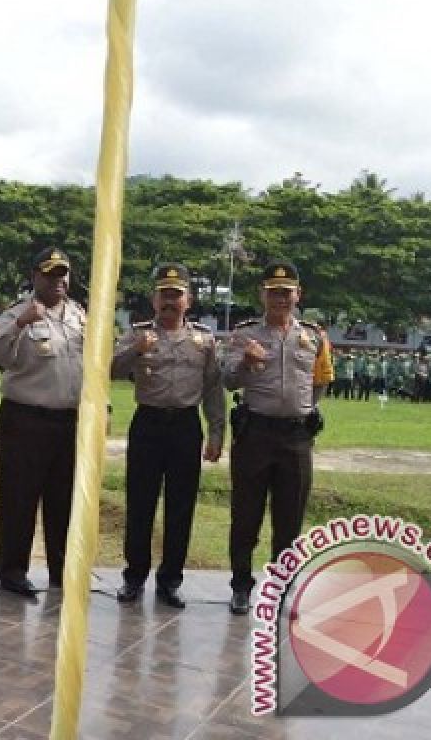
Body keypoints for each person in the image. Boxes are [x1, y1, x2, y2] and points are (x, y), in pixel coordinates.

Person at [110, 263, 225, 609]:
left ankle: (170, 580)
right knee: (140, 504)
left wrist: (217, 432)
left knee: (180, 507)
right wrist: (136, 351)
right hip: (148, 425)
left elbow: (213, 389)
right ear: (154, 299)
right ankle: (134, 577)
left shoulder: (203, 341)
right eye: (164, 295)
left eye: (177, 295)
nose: (170, 301)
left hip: (186, 427)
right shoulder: (138, 334)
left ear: (188, 300)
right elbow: (111, 370)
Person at [221, 260, 332, 615]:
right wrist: (244, 363)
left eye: (286, 293)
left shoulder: (314, 336)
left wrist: (302, 410)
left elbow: (321, 381)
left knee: (289, 519)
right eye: (273, 293)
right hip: (255, 434)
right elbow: (227, 380)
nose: (280, 299)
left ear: (298, 295)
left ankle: (281, 589)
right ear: (262, 295)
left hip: (296, 439)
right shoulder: (244, 334)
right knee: (245, 517)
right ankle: (241, 586)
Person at [0, 248, 87, 596]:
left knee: (64, 501)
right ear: (36, 277)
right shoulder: (18, 313)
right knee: (19, 499)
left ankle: (63, 572)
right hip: (25, 419)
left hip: (68, 422)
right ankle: (13, 571)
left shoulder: (79, 316)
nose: (58, 281)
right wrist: (20, 324)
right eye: (50, 274)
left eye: (63, 274)